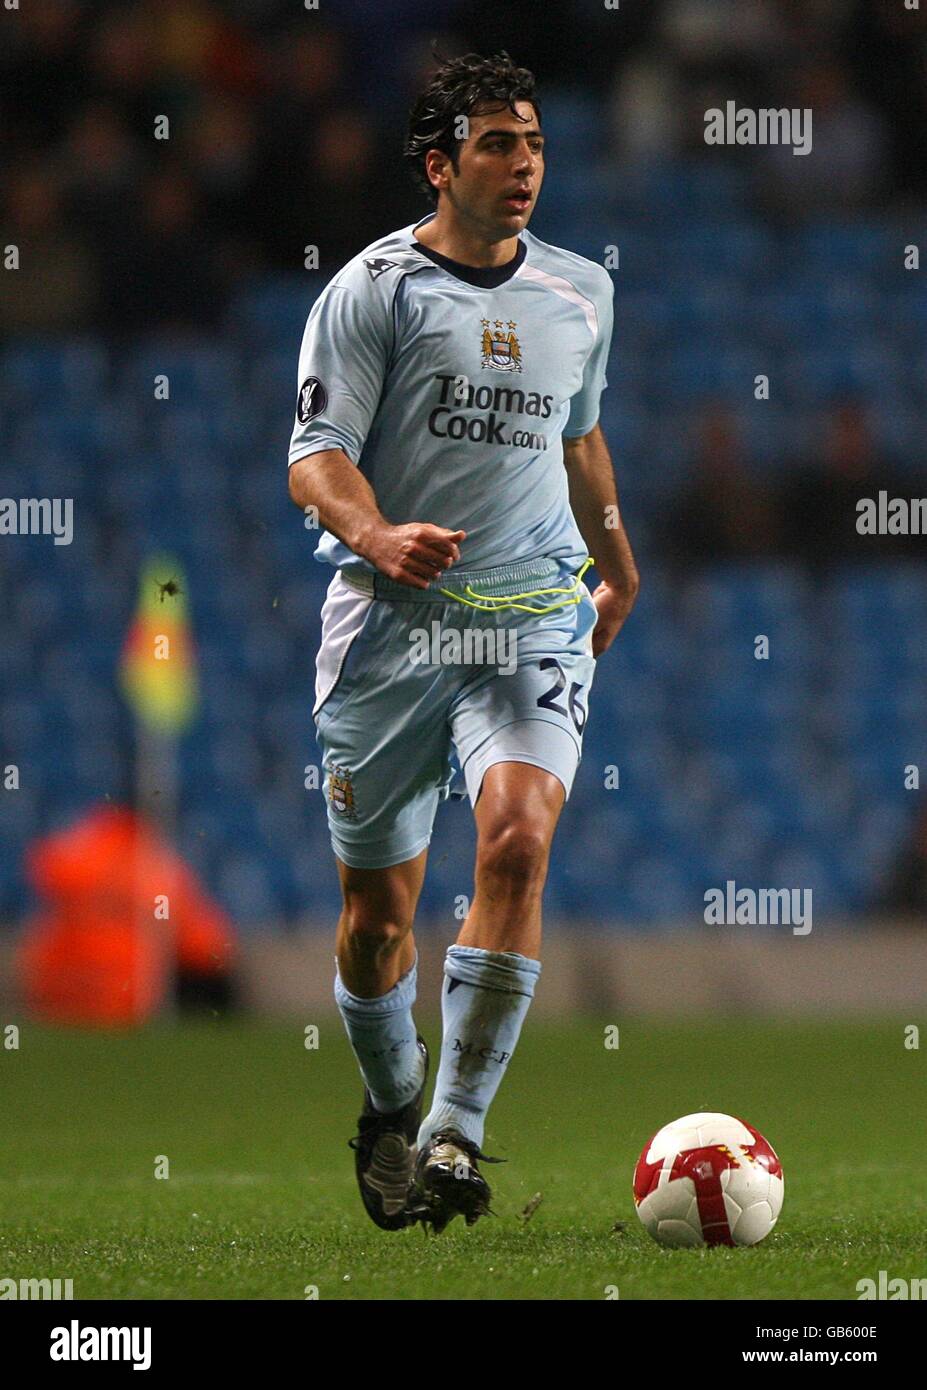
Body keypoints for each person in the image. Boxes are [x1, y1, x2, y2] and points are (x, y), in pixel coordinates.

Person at [287, 52, 639, 1234]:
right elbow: (313, 458)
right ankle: (390, 1105)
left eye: (533, 140)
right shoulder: (371, 289)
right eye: (495, 142)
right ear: (441, 165)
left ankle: (454, 1131)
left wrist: (617, 555)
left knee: (519, 842)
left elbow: (581, 441)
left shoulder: (582, 291)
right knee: (379, 915)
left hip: (531, 614)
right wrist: (377, 532)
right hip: (391, 630)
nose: (524, 161)